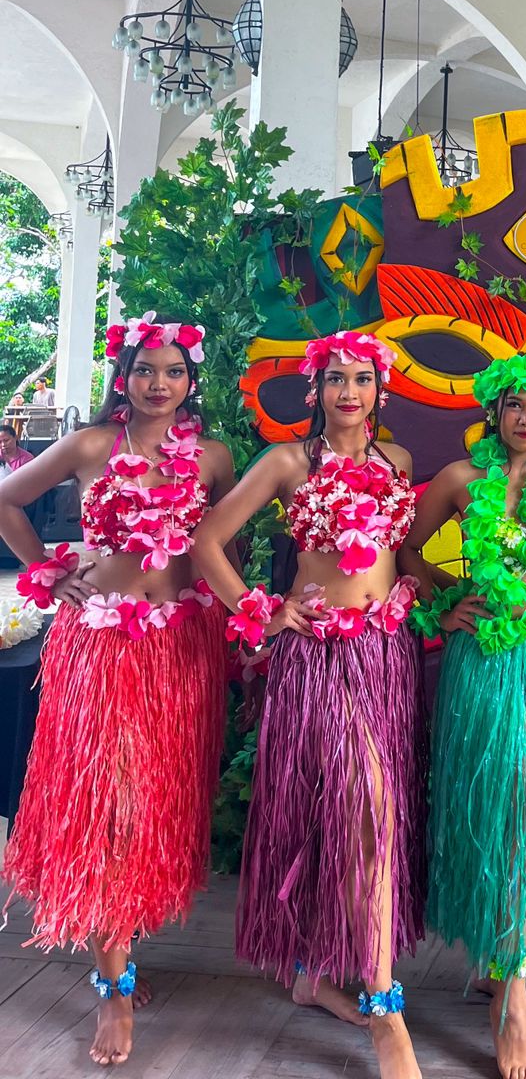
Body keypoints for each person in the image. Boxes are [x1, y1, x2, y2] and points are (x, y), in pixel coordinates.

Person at [190, 329, 426, 1079]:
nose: (348, 393)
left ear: (381, 391)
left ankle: (316, 973)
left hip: (385, 657)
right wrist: (261, 611)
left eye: (361, 379)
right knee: (365, 810)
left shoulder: (399, 465)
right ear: (314, 392)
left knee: (359, 816)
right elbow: (207, 539)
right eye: (334, 381)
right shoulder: (290, 461)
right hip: (318, 656)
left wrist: (439, 602)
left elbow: (400, 557)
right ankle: (385, 1009)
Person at [0, 312, 232, 1068]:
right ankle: (114, 991)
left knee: (154, 810)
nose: (157, 383)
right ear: (122, 377)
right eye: (143, 370)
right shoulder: (91, 445)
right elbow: (7, 498)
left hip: (183, 650)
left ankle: (122, 947)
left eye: (172, 371)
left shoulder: (216, 459)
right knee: (109, 807)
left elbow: (225, 547)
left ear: (193, 382)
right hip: (100, 645)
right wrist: (48, 568)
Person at [403, 353, 526, 1079]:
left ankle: (507, 958)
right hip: (483, 661)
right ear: (494, 411)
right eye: (514, 405)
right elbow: (406, 548)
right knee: (515, 799)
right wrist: (441, 606)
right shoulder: (461, 480)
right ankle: (509, 990)